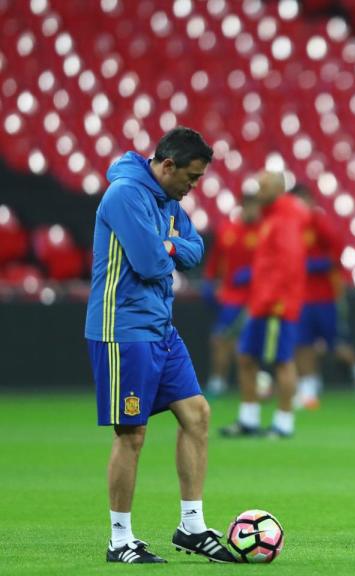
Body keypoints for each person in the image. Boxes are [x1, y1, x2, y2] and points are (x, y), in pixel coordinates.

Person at [85, 127, 234, 563]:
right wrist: (171, 245)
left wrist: (168, 243)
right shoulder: (125, 195)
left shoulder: (169, 200)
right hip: (122, 328)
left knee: (197, 414)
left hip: (160, 327)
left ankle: (191, 526)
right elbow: (152, 264)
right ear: (166, 165)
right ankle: (120, 540)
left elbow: (196, 249)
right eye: (190, 176)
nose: (193, 187)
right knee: (132, 433)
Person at [221, 171, 310, 438]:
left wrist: (275, 300)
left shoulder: (285, 218)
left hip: (276, 304)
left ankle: (284, 423)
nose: (257, 192)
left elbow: (289, 264)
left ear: (277, 189)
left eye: (262, 187)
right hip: (261, 302)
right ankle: (249, 419)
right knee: (246, 357)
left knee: (282, 362)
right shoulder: (272, 216)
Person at [291, 184, 355, 408]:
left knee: (338, 346)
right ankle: (308, 390)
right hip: (301, 297)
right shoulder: (291, 226)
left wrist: (312, 265)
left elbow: (336, 254)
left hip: (326, 296)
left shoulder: (320, 223)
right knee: (303, 344)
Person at [201, 193, 261, 397]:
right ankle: (218, 381)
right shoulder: (228, 231)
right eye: (250, 206)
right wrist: (209, 281)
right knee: (220, 339)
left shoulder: (264, 232)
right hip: (230, 298)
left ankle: (252, 383)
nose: (254, 211)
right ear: (243, 207)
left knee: (246, 345)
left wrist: (253, 274)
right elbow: (214, 261)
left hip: (254, 298)